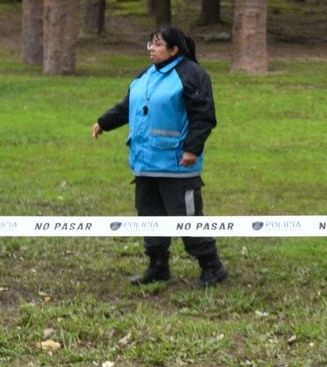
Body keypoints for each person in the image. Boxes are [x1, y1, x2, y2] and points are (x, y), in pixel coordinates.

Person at [92, 25, 227, 288]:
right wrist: (103, 122)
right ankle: (158, 266)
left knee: (187, 220)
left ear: (174, 49)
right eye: (150, 44)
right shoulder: (145, 75)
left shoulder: (192, 74)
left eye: (157, 44)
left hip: (177, 164)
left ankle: (212, 267)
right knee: (150, 217)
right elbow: (127, 106)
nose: (151, 49)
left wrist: (192, 149)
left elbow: (204, 116)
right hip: (145, 164)